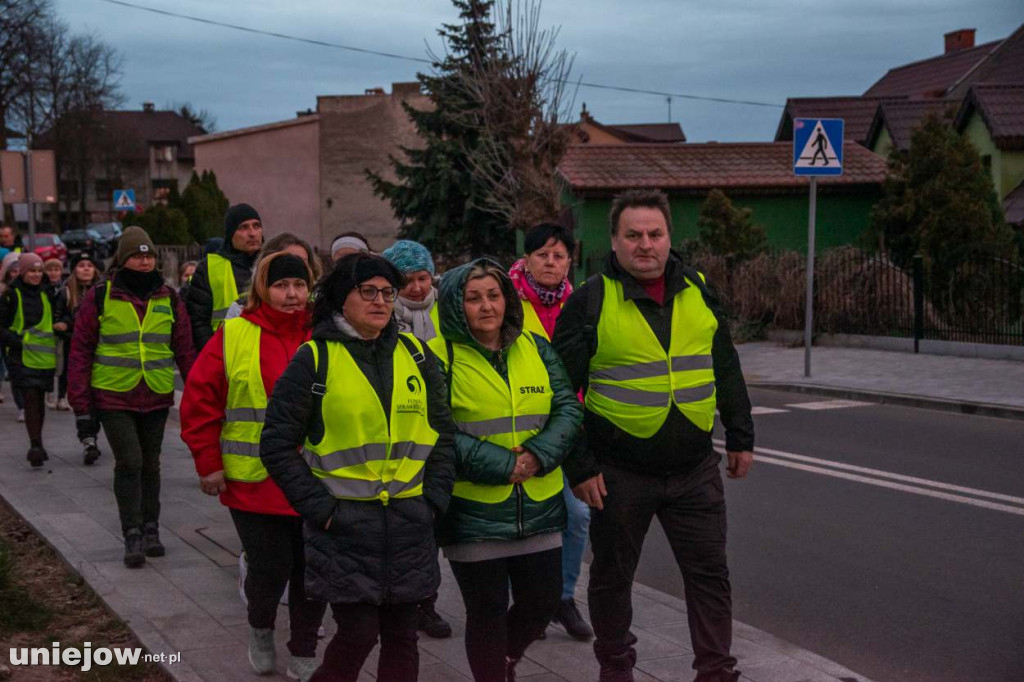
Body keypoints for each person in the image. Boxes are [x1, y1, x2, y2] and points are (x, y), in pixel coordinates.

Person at [552, 189, 755, 682]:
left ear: (669, 238)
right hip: (618, 473)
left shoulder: (699, 289)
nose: (646, 245)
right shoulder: (590, 301)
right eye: (634, 235)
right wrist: (579, 467)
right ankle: (616, 666)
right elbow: (560, 393)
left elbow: (723, 364)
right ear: (614, 243)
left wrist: (741, 432)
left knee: (709, 575)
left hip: (694, 468)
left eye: (655, 234)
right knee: (612, 578)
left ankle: (716, 670)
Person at [259, 253, 456, 682]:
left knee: (404, 637)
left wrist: (435, 502)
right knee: (358, 635)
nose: (381, 301)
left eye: (388, 292)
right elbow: (275, 444)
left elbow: (443, 434)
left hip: (410, 524)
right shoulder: (314, 359)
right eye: (368, 291)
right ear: (340, 298)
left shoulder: (418, 356)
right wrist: (322, 511)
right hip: (345, 528)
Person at [429, 258, 583, 681]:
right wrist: (503, 465)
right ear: (455, 304)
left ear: (507, 300)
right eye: (473, 298)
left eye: (494, 296)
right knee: (487, 611)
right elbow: (436, 428)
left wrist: (535, 457)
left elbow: (568, 407)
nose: (486, 306)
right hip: (473, 508)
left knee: (543, 602)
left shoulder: (535, 345)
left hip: (539, 501)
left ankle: (506, 657)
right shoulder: (438, 356)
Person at [182, 251, 326, 681]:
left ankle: (304, 647)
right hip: (254, 483)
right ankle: (260, 626)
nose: (292, 294)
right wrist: (208, 464)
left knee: (313, 571)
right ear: (263, 288)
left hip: (317, 480)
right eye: (282, 285)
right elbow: (199, 402)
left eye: (299, 285)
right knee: (270, 568)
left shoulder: (325, 334)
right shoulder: (235, 334)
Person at [69, 227, 196, 568]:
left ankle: (152, 527)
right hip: (113, 395)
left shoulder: (168, 297)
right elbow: (80, 352)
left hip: (154, 393)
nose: (145, 261)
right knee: (130, 462)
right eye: (138, 255)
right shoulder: (100, 297)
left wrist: (199, 394)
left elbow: (184, 350)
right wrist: (82, 407)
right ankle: (132, 533)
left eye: (149, 255)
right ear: (123, 260)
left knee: (151, 464)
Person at [509, 222, 594, 641]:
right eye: (542, 254)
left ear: (568, 262)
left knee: (577, 515)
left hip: (567, 428)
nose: (550, 262)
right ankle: (525, 600)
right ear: (527, 259)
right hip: (517, 428)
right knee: (519, 519)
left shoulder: (579, 304)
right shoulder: (506, 301)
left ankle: (562, 598)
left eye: (558, 255)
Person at [381, 238, 451, 638]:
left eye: (423, 277)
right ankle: (404, 598)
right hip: (403, 424)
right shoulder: (385, 314)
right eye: (407, 280)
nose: (418, 287)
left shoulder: (448, 308)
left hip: (441, 420)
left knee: (431, 522)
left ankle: (427, 601)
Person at [0, 253, 61, 466]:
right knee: (30, 399)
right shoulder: (11, 295)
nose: (36, 275)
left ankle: (38, 442)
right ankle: (35, 444)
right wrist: (17, 340)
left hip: (44, 358)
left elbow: (56, 318)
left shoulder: (48, 293)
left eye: (38, 271)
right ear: (23, 272)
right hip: (20, 358)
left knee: (40, 400)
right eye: (31, 271)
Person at [185, 204, 264, 351]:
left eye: (256, 226)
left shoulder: (273, 263)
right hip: (226, 355)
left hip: (267, 353)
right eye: (243, 228)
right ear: (230, 234)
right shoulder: (209, 267)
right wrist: (213, 355)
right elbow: (198, 322)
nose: (252, 233)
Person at [54, 253, 105, 462]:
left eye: (89, 265)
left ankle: (93, 433)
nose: (85, 269)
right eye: (81, 265)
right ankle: (88, 437)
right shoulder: (66, 293)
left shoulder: (103, 293)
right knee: (80, 394)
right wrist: (72, 333)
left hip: (100, 352)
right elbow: (56, 323)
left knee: (99, 396)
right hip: (74, 350)